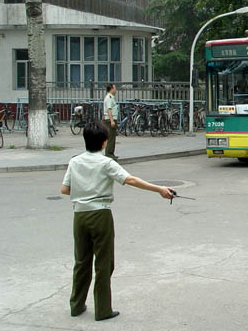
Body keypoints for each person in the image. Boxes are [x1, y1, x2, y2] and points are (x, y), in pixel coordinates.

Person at [61, 121, 174, 321]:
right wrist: (159, 189)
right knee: (104, 263)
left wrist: (84, 191)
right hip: (100, 214)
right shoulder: (106, 163)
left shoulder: (74, 162)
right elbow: (130, 180)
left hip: (79, 215)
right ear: (104, 142)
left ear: (85, 140)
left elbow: (65, 189)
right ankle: (103, 309)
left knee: (81, 262)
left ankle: (76, 305)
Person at [102, 84, 119, 160]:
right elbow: (109, 110)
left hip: (111, 119)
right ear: (111, 89)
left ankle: (111, 153)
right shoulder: (109, 98)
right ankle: (108, 154)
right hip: (110, 120)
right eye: (115, 88)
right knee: (110, 137)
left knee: (112, 137)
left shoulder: (111, 97)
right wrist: (112, 121)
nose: (115, 90)